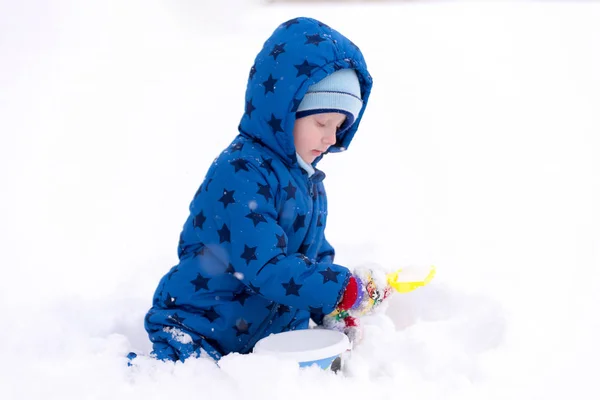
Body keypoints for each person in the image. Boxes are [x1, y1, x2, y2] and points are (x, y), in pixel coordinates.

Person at [144, 16, 392, 362]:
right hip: (200, 329)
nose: (331, 138)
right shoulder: (241, 173)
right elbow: (265, 267)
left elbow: (313, 256)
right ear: (286, 110)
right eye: (321, 122)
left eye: (340, 126)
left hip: (262, 339)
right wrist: (339, 288)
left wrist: (330, 311)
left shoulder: (308, 182)